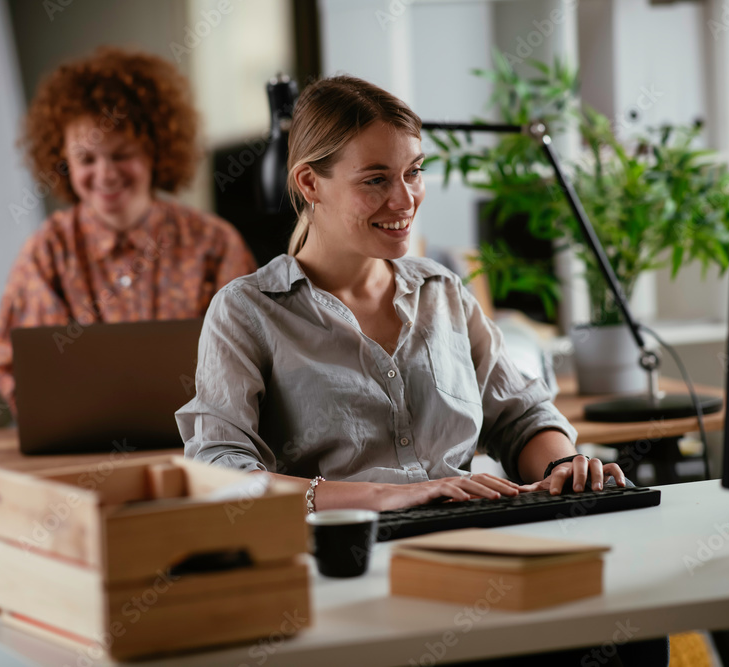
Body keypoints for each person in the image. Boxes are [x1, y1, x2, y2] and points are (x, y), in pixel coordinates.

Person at [178, 74, 669, 666]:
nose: (405, 199)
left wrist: (565, 464)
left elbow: (520, 415)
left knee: (632, 628)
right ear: (310, 182)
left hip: (477, 551)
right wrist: (391, 495)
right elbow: (222, 477)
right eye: (376, 180)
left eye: (413, 172)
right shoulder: (248, 311)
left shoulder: (443, 292)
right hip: (351, 577)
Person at [0, 47, 255, 414]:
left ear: (155, 150)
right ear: (63, 161)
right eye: (86, 159)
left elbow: (250, 358)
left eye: (121, 154)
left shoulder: (215, 244)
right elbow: (16, 370)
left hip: (197, 447)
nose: (105, 174)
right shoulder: (47, 251)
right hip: (77, 454)